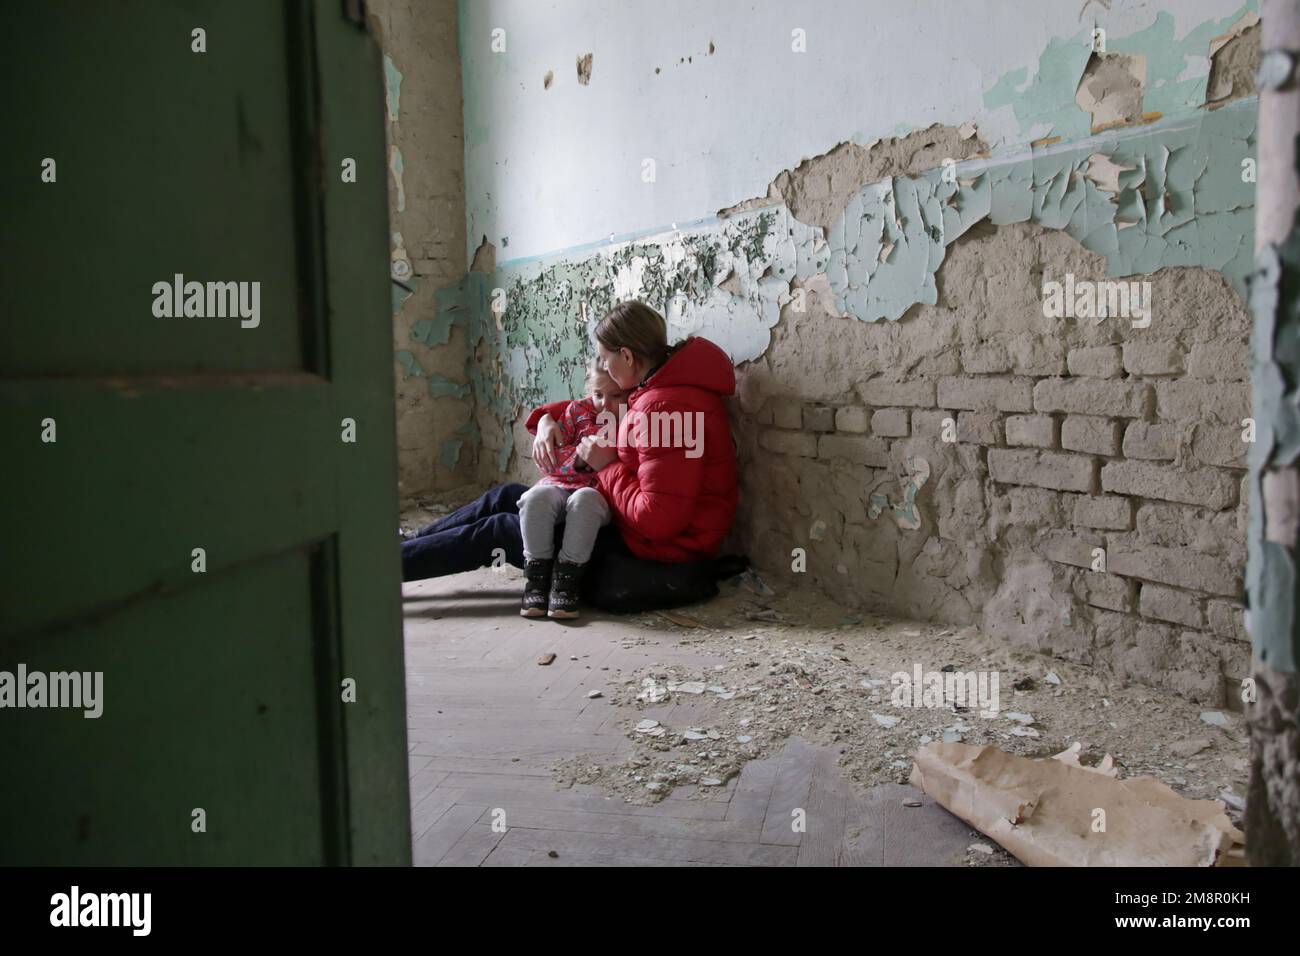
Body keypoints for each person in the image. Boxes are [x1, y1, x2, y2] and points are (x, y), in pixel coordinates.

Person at [400, 299, 742, 612]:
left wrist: (605, 465)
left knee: (499, 529)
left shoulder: (665, 407)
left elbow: (658, 519)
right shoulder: (661, 386)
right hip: (639, 529)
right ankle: (412, 542)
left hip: (657, 551)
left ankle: (383, 569)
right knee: (507, 496)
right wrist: (547, 418)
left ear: (626, 356)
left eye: (606, 360)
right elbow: (596, 410)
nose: (604, 369)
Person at [516, 361, 627, 619]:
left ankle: (566, 581)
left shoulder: (633, 421)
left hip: (602, 493)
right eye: (598, 394)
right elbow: (550, 459)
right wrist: (582, 459)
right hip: (560, 485)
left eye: (616, 395)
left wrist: (601, 461)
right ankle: (536, 578)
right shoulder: (577, 411)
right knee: (534, 497)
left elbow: (627, 466)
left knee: (584, 500)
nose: (605, 404)